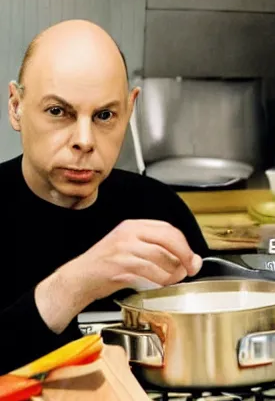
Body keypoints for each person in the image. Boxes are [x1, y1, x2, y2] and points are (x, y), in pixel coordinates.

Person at [0, 19, 209, 375]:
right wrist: (78, 282)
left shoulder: (159, 209)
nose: (85, 139)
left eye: (105, 115)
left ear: (129, 111)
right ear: (17, 106)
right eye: (57, 112)